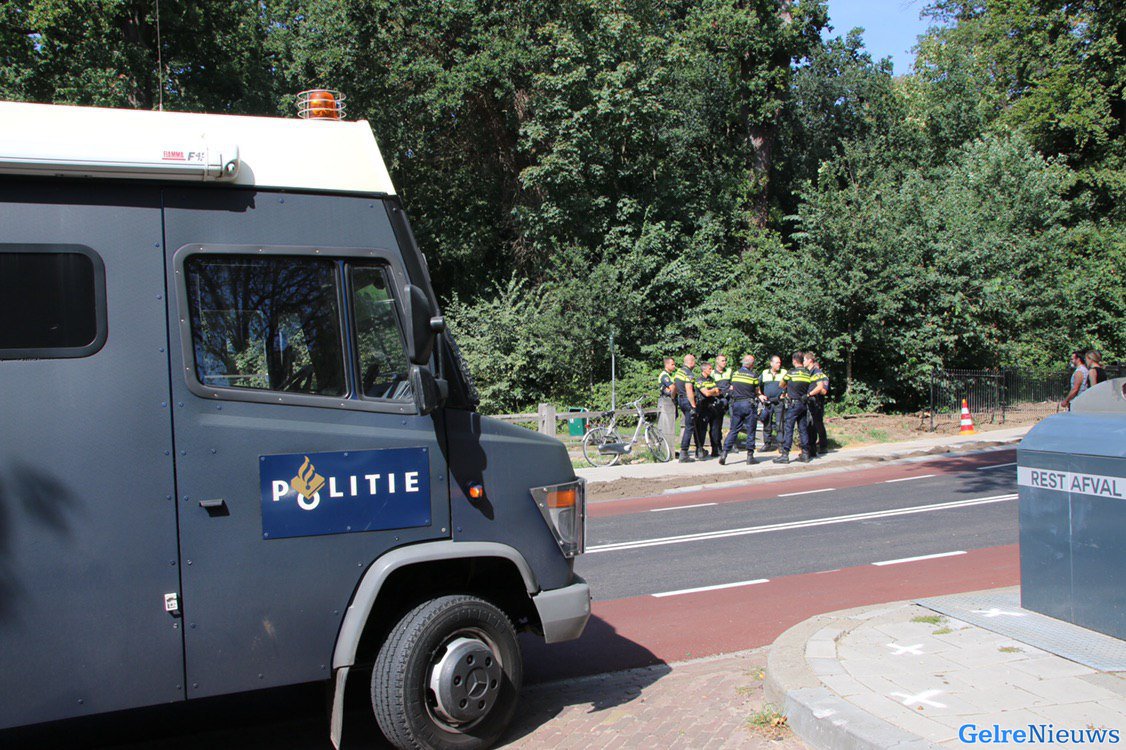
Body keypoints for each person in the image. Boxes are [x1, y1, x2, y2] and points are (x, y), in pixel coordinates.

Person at [720, 354, 764, 465]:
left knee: (734, 429)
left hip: (736, 404)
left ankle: (724, 453)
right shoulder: (753, 376)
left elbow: (733, 387)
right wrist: (761, 396)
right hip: (748, 404)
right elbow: (756, 391)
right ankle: (750, 456)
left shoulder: (734, 374)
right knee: (751, 430)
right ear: (752, 364)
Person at [773, 352, 813, 464]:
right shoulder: (807, 373)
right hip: (803, 404)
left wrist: (788, 387)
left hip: (793, 404)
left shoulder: (791, 372)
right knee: (803, 429)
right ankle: (805, 454)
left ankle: (785, 454)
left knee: (788, 428)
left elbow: (781, 384)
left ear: (794, 360)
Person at [695, 361, 723, 458]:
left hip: (713, 406)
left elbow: (718, 392)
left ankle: (715, 450)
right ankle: (699, 450)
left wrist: (711, 391)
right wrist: (712, 391)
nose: (711, 370)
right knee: (702, 430)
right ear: (704, 369)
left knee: (715, 429)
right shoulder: (699, 380)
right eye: (710, 369)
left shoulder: (711, 379)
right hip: (703, 407)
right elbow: (706, 393)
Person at [674, 354, 698, 462]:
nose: (695, 364)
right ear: (691, 362)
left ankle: (698, 449)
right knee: (689, 427)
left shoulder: (679, 372)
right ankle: (684, 453)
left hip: (680, 399)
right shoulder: (689, 373)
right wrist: (693, 405)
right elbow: (689, 389)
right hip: (687, 400)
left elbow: (674, 386)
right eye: (694, 361)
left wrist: (673, 397)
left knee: (689, 425)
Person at [759, 355, 787, 450]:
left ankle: (780, 445)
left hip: (779, 402)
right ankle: (767, 444)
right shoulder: (764, 373)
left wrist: (785, 394)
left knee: (780, 424)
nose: (779, 364)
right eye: (777, 362)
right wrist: (760, 395)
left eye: (780, 362)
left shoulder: (784, 372)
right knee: (767, 423)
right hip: (768, 402)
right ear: (771, 363)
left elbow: (789, 385)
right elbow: (757, 385)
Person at [804, 352, 829, 457]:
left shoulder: (820, 375)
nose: (803, 362)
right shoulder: (808, 373)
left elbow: (823, 390)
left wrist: (810, 394)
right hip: (810, 403)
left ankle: (823, 445)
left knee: (817, 424)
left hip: (817, 403)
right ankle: (812, 448)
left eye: (804, 360)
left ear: (810, 361)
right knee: (810, 425)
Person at [713, 354, 733, 448]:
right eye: (722, 361)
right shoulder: (712, 373)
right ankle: (718, 445)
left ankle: (732, 443)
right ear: (717, 362)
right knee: (718, 423)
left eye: (725, 360)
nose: (725, 362)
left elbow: (733, 384)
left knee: (734, 421)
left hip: (730, 398)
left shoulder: (729, 371)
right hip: (719, 399)